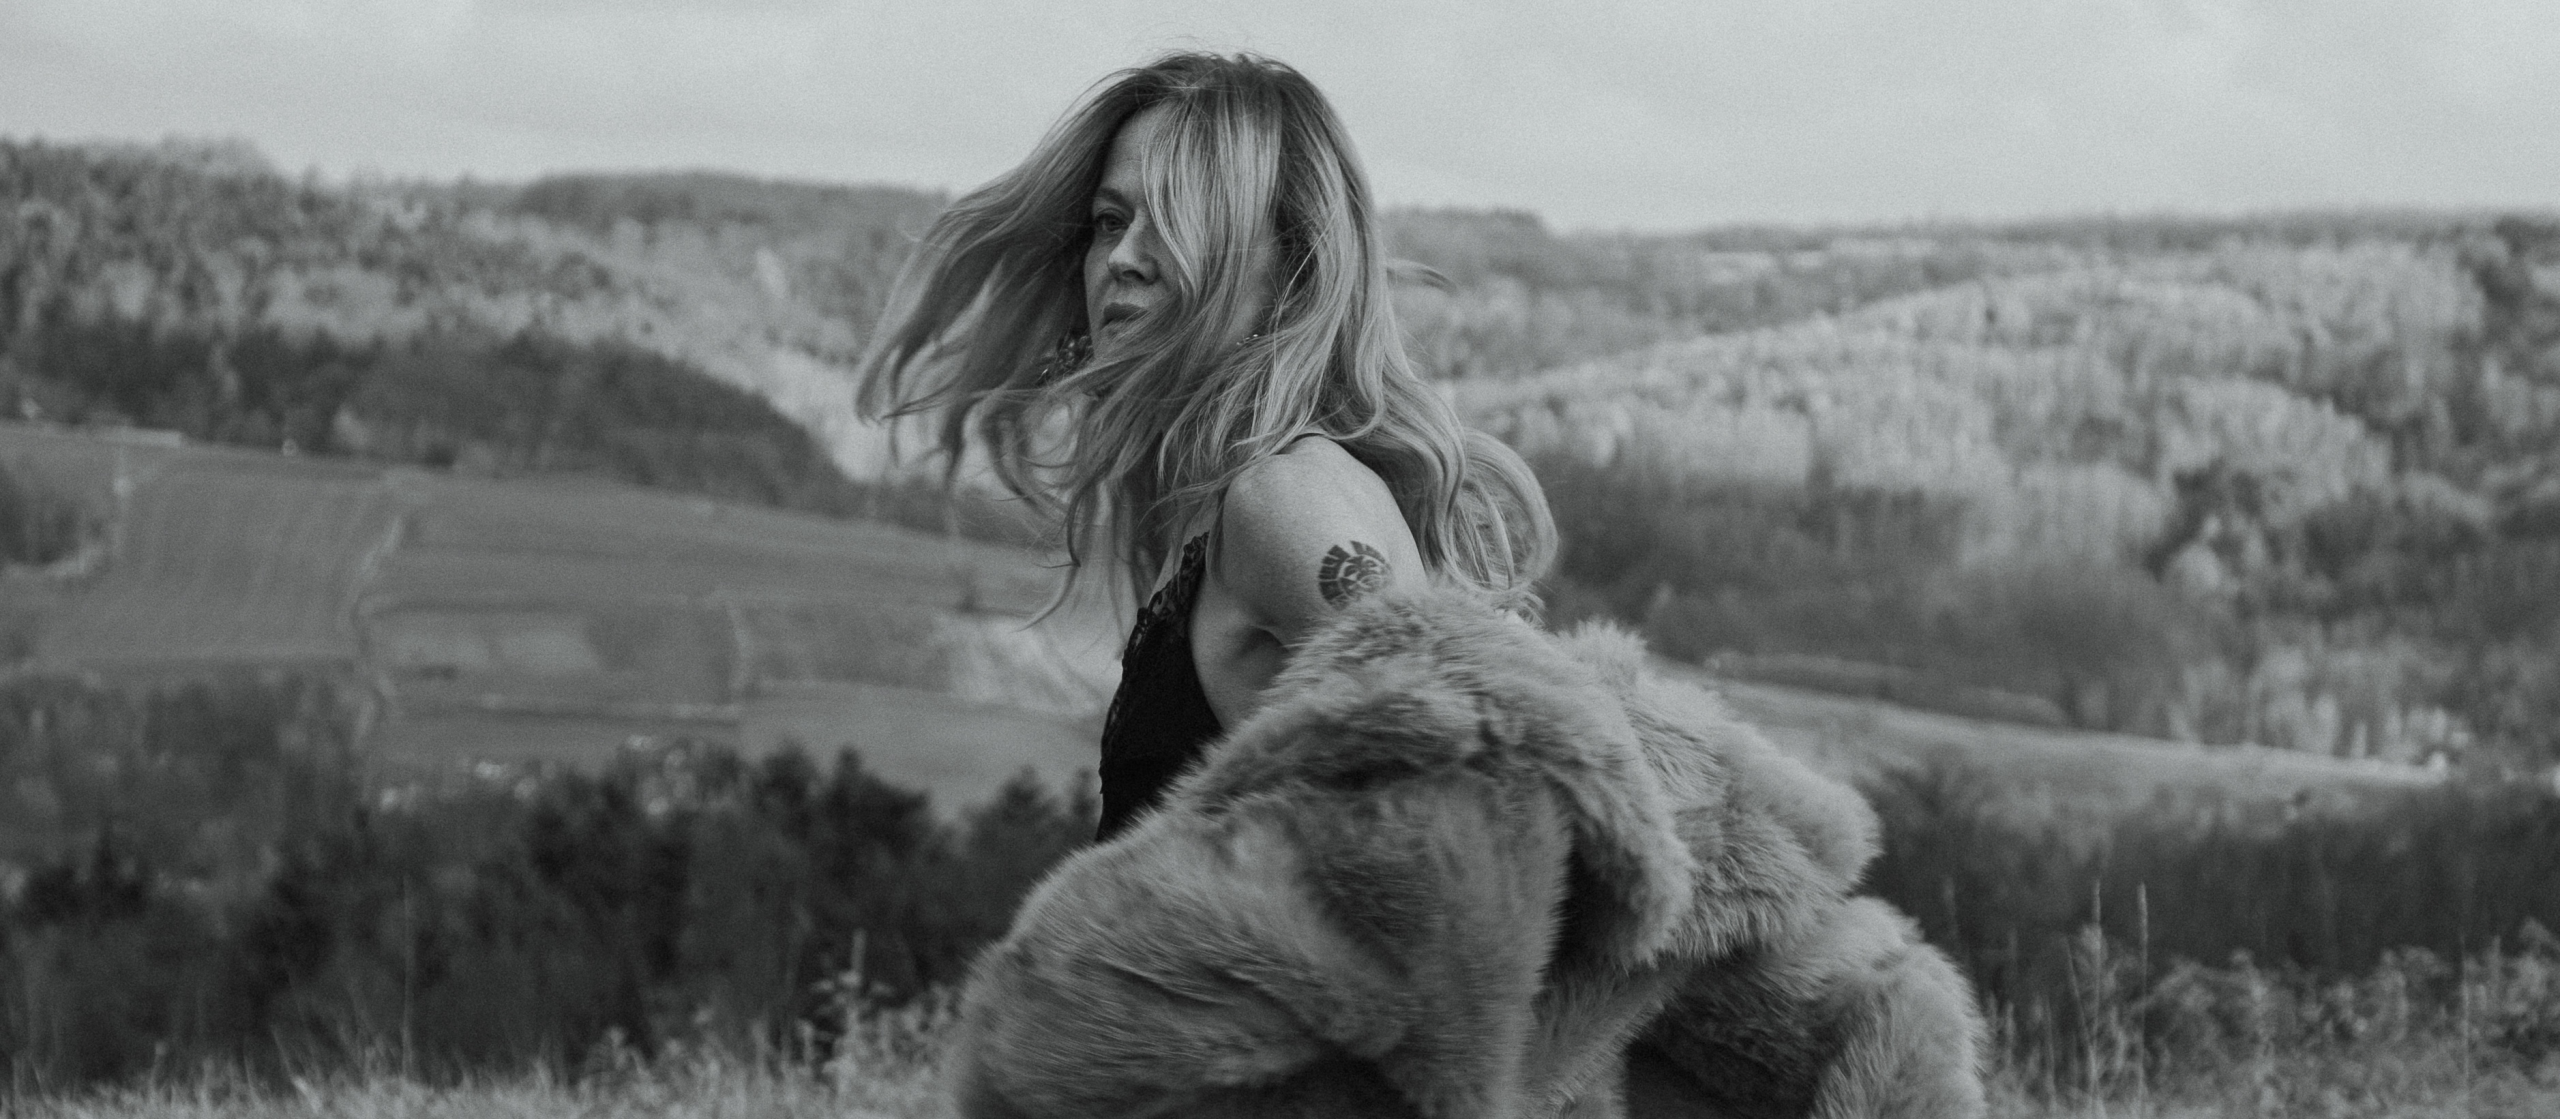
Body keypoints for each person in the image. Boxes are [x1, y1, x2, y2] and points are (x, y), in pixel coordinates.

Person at [855, 51, 1554, 840]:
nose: (1124, 256)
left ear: (1291, 270)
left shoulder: (1285, 499)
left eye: (1179, 218)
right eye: (1111, 221)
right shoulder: (1219, 505)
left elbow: (1477, 828)